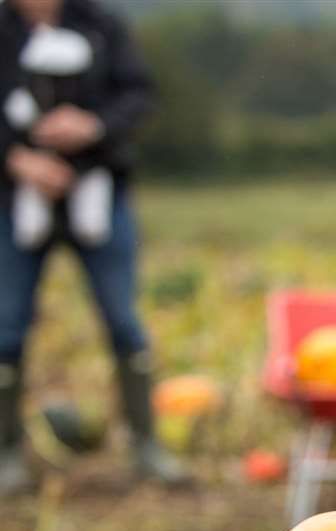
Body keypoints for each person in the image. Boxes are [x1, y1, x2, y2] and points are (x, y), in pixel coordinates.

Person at [0, 0, 184, 495]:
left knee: (124, 321)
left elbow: (139, 96)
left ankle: (146, 445)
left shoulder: (103, 27)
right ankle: (7, 453)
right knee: (6, 325)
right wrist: (18, 160)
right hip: (17, 196)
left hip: (99, 190)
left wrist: (93, 126)